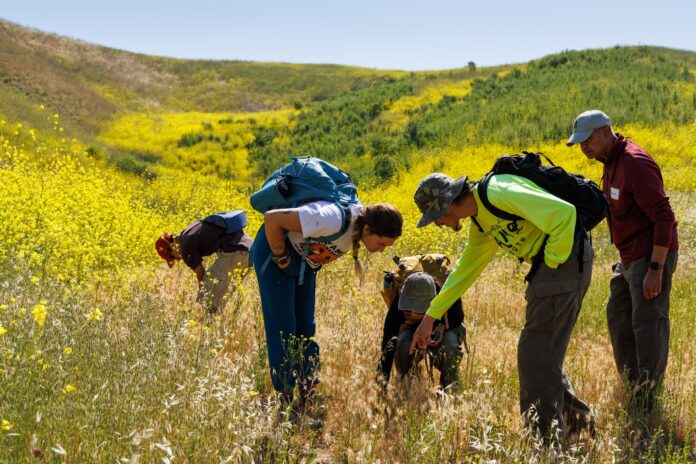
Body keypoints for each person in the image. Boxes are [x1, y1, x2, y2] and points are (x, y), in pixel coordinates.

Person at [409, 171, 595, 440]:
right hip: (554, 268)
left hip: (563, 262)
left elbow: (564, 214)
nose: (437, 225)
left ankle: (544, 443)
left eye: (434, 218)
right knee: (541, 356)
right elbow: (463, 273)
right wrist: (430, 317)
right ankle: (580, 427)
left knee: (535, 356)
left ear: (445, 205)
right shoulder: (481, 224)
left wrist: (550, 264)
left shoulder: (497, 193)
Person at [567, 110, 679, 416]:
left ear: (605, 131)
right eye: (579, 143)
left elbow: (664, 218)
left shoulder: (634, 163)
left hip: (650, 256)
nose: (583, 147)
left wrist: (655, 270)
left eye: (587, 140)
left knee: (647, 324)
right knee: (617, 315)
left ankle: (647, 398)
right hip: (629, 257)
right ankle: (632, 384)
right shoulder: (611, 163)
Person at [251, 202, 403, 410]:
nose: (381, 250)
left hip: (303, 263)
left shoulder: (362, 225)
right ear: (367, 229)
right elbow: (272, 218)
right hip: (274, 255)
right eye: (382, 243)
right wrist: (281, 257)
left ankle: (307, 393)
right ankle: (285, 398)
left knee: (305, 326)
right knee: (283, 327)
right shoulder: (331, 219)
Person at [379, 272, 465, 391]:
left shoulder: (447, 294)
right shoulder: (397, 303)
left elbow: (457, 319)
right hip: (411, 330)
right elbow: (387, 345)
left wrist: (443, 327)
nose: (413, 313)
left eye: (419, 308)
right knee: (404, 344)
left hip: (444, 329)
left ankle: (448, 387)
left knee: (450, 344)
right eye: (410, 307)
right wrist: (380, 386)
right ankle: (406, 384)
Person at [155, 213, 252, 314]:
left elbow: (200, 272)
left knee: (206, 299)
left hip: (235, 253)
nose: (177, 259)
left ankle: (209, 327)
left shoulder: (185, 247)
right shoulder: (190, 229)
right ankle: (220, 326)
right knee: (220, 298)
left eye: (171, 257)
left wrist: (202, 290)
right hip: (250, 251)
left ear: (171, 246)